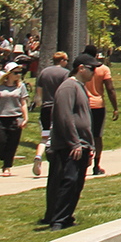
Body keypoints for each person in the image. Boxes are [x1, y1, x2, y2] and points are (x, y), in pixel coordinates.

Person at [41, 57, 96, 230]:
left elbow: (84, 119)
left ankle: (66, 217)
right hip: (70, 146)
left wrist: (90, 146)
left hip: (83, 145)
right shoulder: (68, 87)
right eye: (91, 69)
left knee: (76, 184)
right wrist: (74, 143)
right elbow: (64, 117)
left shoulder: (80, 87)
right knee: (68, 181)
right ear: (80, 68)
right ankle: (57, 219)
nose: (94, 73)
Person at [81, 43, 119, 175]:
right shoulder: (103, 69)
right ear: (96, 55)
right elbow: (110, 89)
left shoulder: (81, 69)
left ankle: (83, 162)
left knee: (83, 135)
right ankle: (96, 165)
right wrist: (115, 107)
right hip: (98, 105)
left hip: (83, 104)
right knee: (97, 136)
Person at [32, 51, 70, 178]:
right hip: (58, 108)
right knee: (59, 137)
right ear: (62, 60)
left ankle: (38, 156)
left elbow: (39, 92)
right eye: (67, 60)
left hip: (45, 108)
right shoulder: (65, 73)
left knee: (45, 136)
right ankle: (55, 162)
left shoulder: (44, 72)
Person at [0, 61, 29, 176]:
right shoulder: (0, 87)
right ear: (8, 74)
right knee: (1, 142)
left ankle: (7, 166)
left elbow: (23, 103)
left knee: (12, 143)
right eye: (15, 73)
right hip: (2, 118)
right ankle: (2, 157)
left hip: (15, 118)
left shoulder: (20, 87)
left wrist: (25, 118)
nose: (18, 75)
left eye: (19, 73)